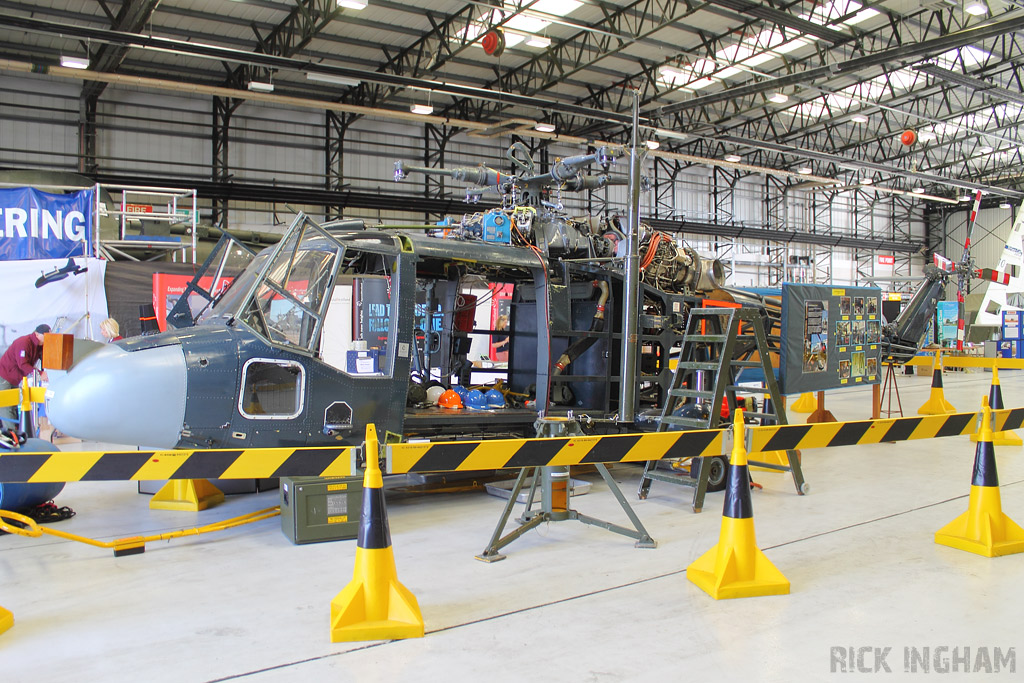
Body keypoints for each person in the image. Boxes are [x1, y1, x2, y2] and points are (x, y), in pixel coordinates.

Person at [0, 324, 50, 422]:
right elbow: (22, 364)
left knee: (14, 404)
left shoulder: (39, 346)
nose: (47, 339)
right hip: (4, 376)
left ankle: (15, 431)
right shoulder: (23, 343)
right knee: (7, 406)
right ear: (37, 334)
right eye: (46, 336)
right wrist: (40, 373)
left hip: (15, 378)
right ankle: (10, 434)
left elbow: (44, 359)